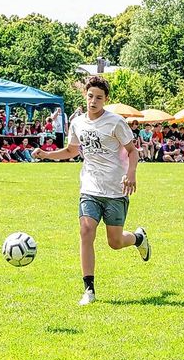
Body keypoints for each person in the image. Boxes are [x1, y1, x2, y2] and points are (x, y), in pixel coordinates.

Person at [33, 75, 151, 306]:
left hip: (115, 189)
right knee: (86, 231)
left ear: (106, 99)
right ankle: (89, 290)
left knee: (115, 242)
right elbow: (71, 151)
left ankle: (138, 238)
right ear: (85, 96)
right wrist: (47, 154)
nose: (93, 101)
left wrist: (131, 173)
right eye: (90, 96)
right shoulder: (77, 123)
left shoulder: (116, 122)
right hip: (90, 187)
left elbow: (132, 151)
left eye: (99, 97)